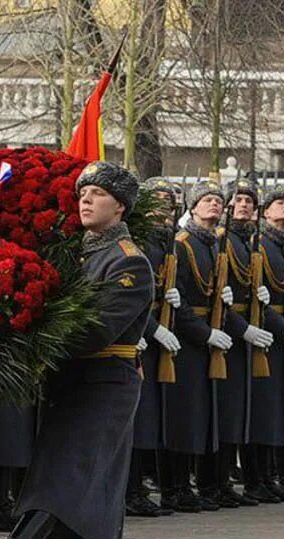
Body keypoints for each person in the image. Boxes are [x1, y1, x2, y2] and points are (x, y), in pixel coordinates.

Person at [0, 161, 152, 539]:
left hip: (105, 384)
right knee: (77, 506)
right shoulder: (76, 254)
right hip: (68, 384)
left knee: (66, 477)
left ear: (120, 206)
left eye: (97, 194)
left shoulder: (128, 261)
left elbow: (97, 330)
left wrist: (27, 339)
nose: (86, 200)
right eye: (82, 193)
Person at [162, 181, 232, 512]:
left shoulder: (213, 245)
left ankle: (193, 484)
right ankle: (174, 487)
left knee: (200, 415)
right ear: (192, 207)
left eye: (219, 201)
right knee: (183, 415)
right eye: (207, 200)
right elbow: (180, 301)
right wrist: (204, 334)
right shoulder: (183, 243)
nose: (214, 205)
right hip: (188, 339)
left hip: (206, 335)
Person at [210, 178, 266, 508]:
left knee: (238, 411)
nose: (243, 204)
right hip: (227, 332)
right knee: (224, 411)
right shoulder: (221, 240)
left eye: (249, 200)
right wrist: (242, 328)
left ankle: (229, 479)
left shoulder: (247, 242)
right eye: (238, 199)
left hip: (245, 330)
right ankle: (215, 480)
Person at [244, 187, 284, 503]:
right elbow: (253, 296)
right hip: (264, 333)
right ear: (265, 212)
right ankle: (255, 478)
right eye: (280, 203)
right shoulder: (259, 245)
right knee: (261, 409)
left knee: (276, 408)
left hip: (280, 335)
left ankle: (268, 476)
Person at [127, 177, 179, 517]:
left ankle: (138, 488)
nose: (163, 208)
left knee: (149, 422)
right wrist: (148, 329)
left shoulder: (168, 242)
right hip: (136, 339)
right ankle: (130, 491)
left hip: (156, 338)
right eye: (156, 201)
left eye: (169, 203)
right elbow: (131, 295)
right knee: (134, 422)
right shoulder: (139, 241)